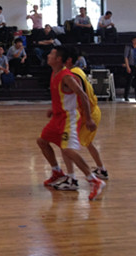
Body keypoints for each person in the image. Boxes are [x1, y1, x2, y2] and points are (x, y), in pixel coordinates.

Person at [37, 45, 105, 201]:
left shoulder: (67, 77)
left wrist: (89, 119)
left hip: (69, 118)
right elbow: (64, 97)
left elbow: (83, 96)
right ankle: (57, 171)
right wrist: (54, 109)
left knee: (67, 149)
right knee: (42, 141)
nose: (48, 56)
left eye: (51, 54)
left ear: (59, 59)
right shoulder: (54, 72)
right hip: (58, 117)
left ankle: (94, 180)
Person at [51, 48, 109, 190]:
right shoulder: (78, 70)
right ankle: (101, 169)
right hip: (92, 111)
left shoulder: (72, 75)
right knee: (87, 143)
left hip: (88, 112)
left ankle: (74, 178)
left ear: (67, 60)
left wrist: (87, 118)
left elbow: (82, 95)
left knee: (66, 146)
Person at [123, 37, 136, 101]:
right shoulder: (128, 48)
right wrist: (127, 66)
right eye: (135, 40)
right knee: (129, 81)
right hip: (131, 66)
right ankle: (126, 96)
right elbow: (126, 57)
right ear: (132, 41)